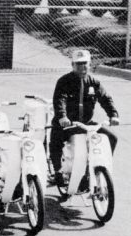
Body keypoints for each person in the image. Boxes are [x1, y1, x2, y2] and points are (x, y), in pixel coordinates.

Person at [50, 49, 120, 188]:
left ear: (90, 64)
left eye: (85, 64)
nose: (82, 67)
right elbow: (60, 100)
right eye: (79, 64)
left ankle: (98, 167)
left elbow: (105, 99)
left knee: (112, 137)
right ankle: (58, 171)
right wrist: (62, 116)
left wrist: (113, 115)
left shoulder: (94, 82)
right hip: (68, 123)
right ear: (73, 65)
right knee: (56, 140)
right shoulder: (64, 81)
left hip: (87, 124)